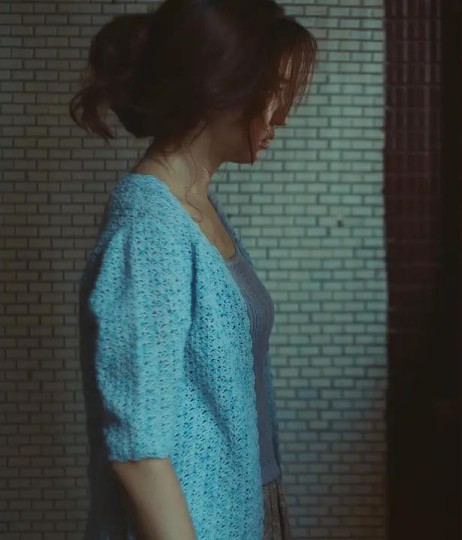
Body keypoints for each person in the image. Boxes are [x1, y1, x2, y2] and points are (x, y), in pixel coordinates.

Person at [70, 1, 316, 538]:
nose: (282, 114)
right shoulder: (150, 227)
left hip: (247, 503)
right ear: (220, 85)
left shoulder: (196, 207)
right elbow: (138, 453)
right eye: (274, 89)